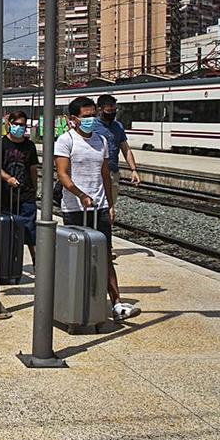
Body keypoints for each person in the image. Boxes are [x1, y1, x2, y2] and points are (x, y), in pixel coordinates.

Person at [54, 96, 140, 321]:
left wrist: (110, 204)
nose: (91, 119)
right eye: (86, 116)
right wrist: (80, 194)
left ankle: (117, 304)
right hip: (75, 208)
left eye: (93, 115)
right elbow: (62, 174)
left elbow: (104, 173)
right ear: (73, 119)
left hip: (99, 206)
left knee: (104, 256)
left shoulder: (101, 140)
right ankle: (75, 300)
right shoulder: (65, 141)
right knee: (76, 257)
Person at [1, 110, 39, 261]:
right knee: (6, 230)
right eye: (16, 124)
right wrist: (8, 178)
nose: (20, 128)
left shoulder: (30, 146)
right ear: (9, 124)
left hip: (26, 194)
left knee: (30, 230)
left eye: (23, 125)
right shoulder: (1, 143)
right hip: (5, 195)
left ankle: (38, 264)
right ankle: (7, 262)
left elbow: (33, 169)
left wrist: (35, 188)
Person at [96, 94, 141, 210]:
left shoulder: (118, 126)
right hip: (96, 172)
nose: (112, 113)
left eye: (114, 110)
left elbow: (125, 149)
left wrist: (133, 169)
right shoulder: (93, 126)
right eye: (109, 111)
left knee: (110, 204)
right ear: (100, 110)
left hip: (112, 171)